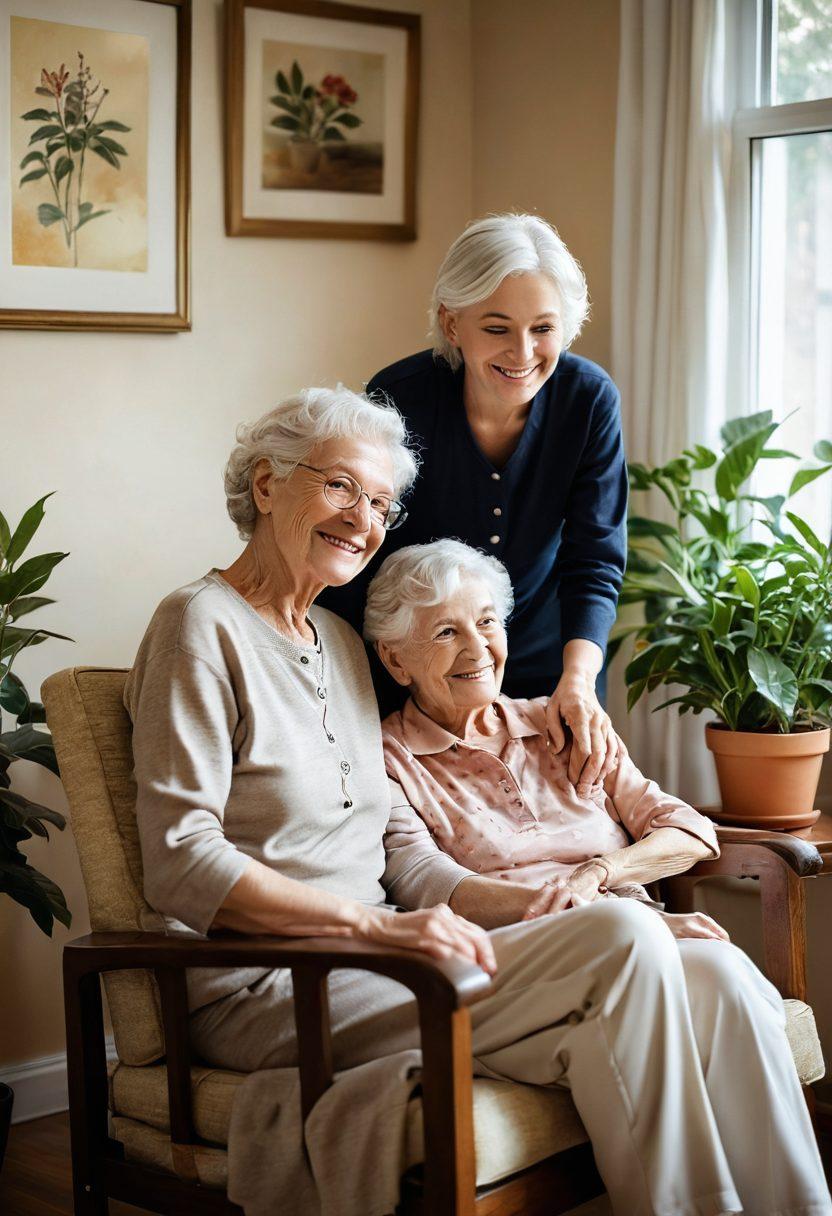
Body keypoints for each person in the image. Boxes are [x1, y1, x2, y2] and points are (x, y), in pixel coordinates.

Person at [125, 388, 831, 1216]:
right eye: (341, 486)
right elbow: (180, 863)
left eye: (381, 503)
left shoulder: (341, 644)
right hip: (274, 984)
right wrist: (382, 929)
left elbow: (392, 847)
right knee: (626, 931)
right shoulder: (197, 625)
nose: (363, 519)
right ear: (266, 484)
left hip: (382, 962)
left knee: (707, 971)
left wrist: (590, 922)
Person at [320, 213, 628, 794]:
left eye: (543, 328)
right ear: (451, 323)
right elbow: (358, 541)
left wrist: (579, 679)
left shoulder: (589, 401)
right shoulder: (399, 399)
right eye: (496, 327)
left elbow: (595, 559)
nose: (523, 352)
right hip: (414, 668)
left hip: (551, 664)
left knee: (566, 816)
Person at [366, 537, 721, 923]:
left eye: (486, 622)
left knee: (719, 956)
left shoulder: (562, 723)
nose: (478, 648)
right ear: (395, 660)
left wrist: (601, 872)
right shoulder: (389, 757)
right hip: (522, 941)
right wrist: (585, 910)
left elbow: (690, 831)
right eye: (446, 632)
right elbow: (422, 879)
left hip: (641, 923)